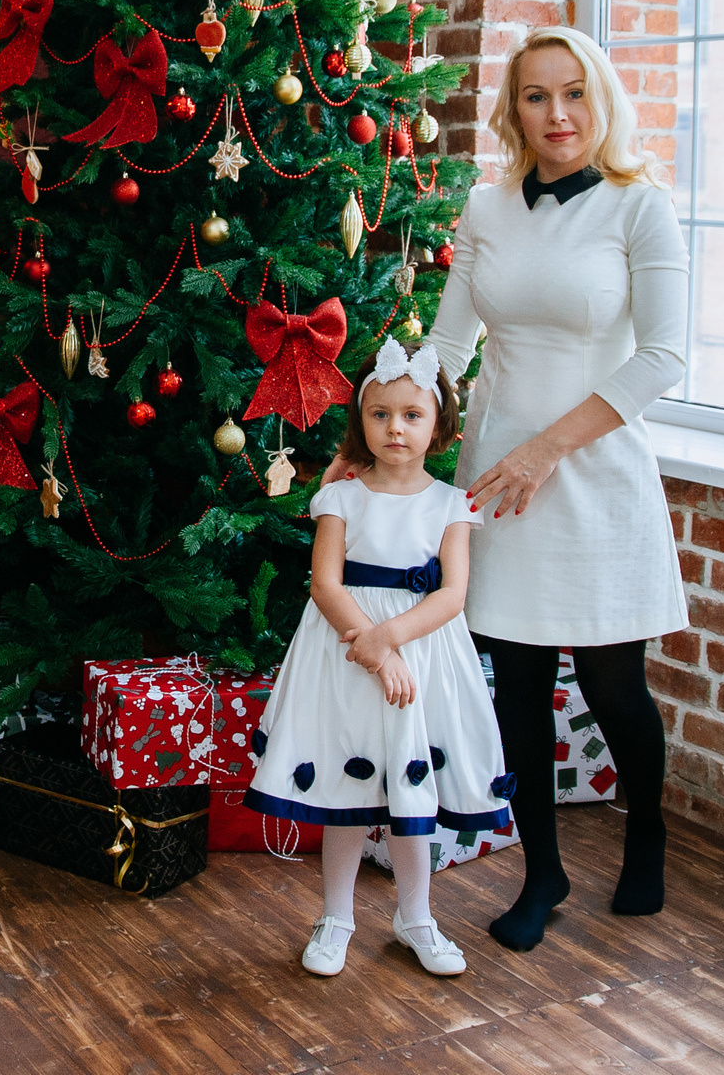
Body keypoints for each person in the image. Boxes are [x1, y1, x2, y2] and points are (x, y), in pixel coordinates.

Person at [424, 24, 690, 953]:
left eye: (573, 92)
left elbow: (664, 356)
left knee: (615, 684)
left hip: (595, 471)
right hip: (497, 475)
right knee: (518, 686)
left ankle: (645, 833)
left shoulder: (639, 207)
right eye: (537, 96)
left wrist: (548, 451)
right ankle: (543, 872)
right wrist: (381, 425)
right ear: (513, 110)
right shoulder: (485, 208)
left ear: (601, 98)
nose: (557, 113)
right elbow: (448, 346)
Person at [243, 339, 514, 979]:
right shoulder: (341, 498)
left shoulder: (451, 505)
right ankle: (337, 915)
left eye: (412, 415)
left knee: (410, 792)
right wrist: (371, 650)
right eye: (381, 414)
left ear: (439, 425)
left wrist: (389, 641)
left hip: (419, 656)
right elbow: (326, 586)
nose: (396, 427)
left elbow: (452, 594)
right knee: (346, 787)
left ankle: (415, 915)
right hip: (343, 658)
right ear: (361, 422)